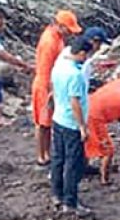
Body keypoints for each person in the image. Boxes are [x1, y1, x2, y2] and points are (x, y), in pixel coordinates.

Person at [32, 10, 83, 167]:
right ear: (59, 26)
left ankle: (47, 153)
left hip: (51, 84)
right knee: (43, 123)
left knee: (48, 122)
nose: (70, 33)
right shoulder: (49, 42)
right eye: (68, 29)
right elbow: (45, 70)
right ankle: (41, 156)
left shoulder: (58, 37)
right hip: (44, 86)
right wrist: (51, 92)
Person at [50, 36, 93, 217]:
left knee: (58, 158)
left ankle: (56, 194)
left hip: (58, 118)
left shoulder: (59, 65)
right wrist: (82, 126)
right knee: (72, 163)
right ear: (81, 53)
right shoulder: (75, 75)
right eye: (87, 55)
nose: (87, 58)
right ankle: (70, 202)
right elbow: (74, 102)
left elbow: (53, 88)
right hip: (71, 123)